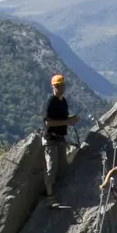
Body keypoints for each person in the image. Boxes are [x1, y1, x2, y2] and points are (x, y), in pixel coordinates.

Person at [43, 74, 78, 202]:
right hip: (51, 139)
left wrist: (70, 120)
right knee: (51, 168)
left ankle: (58, 193)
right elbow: (48, 123)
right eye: (57, 86)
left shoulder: (63, 102)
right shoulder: (50, 102)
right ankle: (49, 197)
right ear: (53, 87)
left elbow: (64, 119)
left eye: (62, 85)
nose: (60, 88)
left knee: (63, 168)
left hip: (60, 138)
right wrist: (67, 121)